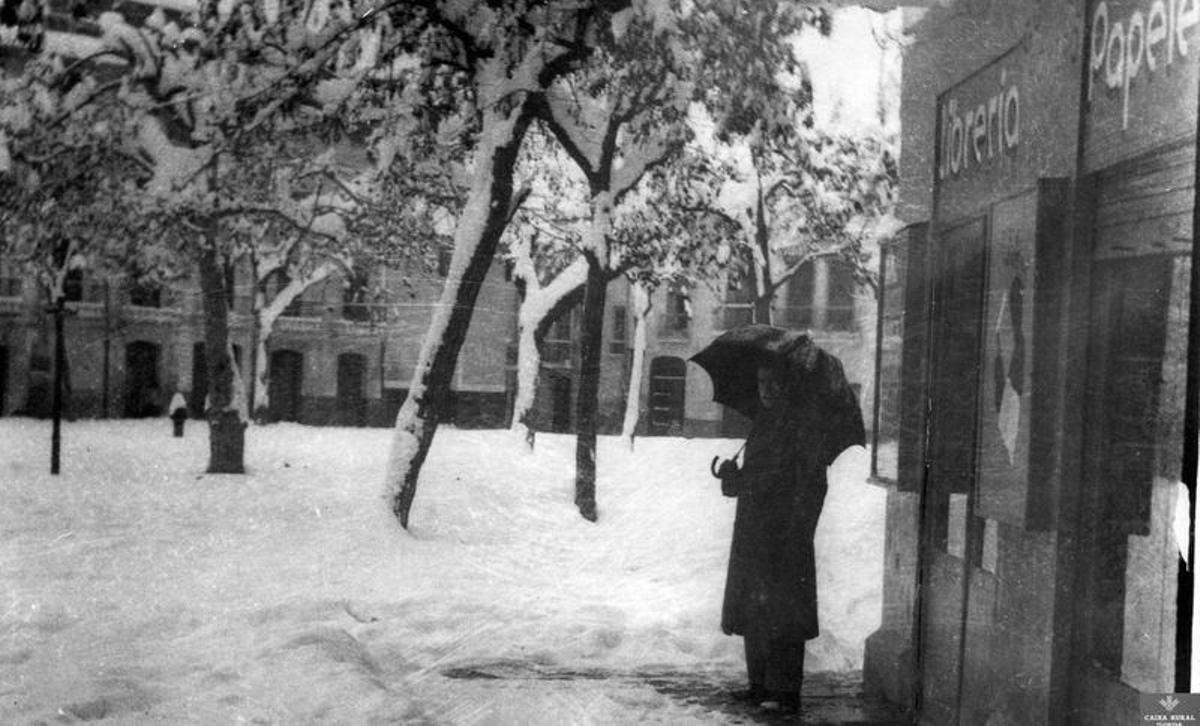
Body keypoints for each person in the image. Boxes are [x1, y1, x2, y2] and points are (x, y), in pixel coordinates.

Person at [714, 357, 833, 715]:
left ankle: (784, 691)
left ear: (788, 385)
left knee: (784, 615)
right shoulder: (763, 424)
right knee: (754, 609)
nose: (766, 390)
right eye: (762, 382)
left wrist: (797, 533)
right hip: (754, 534)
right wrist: (733, 477)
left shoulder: (803, 427)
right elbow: (755, 479)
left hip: (785, 538)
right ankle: (759, 684)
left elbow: (814, 485)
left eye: (774, 383)